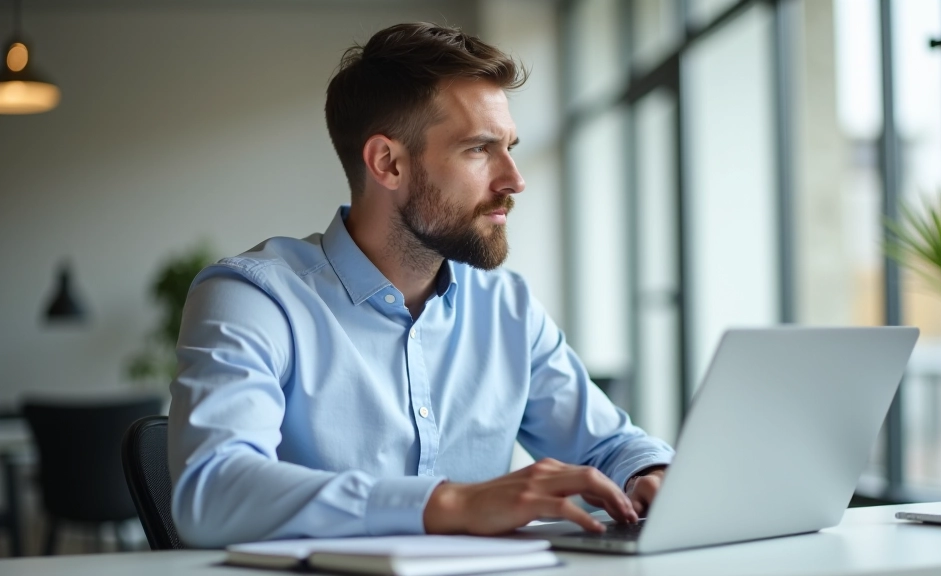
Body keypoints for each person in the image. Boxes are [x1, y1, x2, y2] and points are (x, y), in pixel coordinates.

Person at [168, 22, 674, 548]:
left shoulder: (507, 308)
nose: (514, 179)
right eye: (480, 149)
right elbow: (213, 492)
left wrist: (648, 476)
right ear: (388, 163)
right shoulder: (254, 298)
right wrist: (451, 503)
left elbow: (609, 445)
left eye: (510, 147)